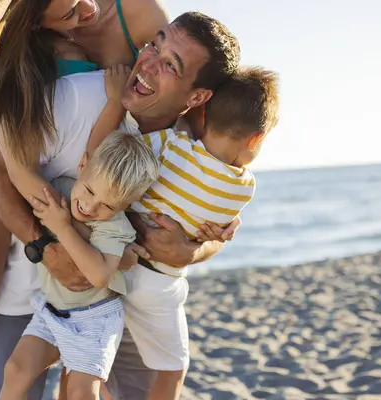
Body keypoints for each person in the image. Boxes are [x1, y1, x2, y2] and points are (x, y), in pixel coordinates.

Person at [0, 11, 242, 399]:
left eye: (170, 65)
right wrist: (44, 244)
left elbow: (218, 227)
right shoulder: (77, 100)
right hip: (36, 291)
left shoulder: (193, 147)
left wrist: (196, 249)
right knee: (12, 376)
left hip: (123, 304)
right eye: (155, 44)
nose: (149, 63)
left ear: (197, 97)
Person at [0, 1, 171, 399]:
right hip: (9, 163)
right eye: (71, 6)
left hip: (86, 182)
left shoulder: (136, 13)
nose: (88, 6)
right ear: (27, 17)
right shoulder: (9, 38)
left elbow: (190, 97)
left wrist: (206, 231)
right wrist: (45, 239)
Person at [117, 66, 281, 399]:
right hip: (159, 285)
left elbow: (131, 143)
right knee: (173, 367)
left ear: (203, 112)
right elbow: (211, 232)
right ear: (257, 138)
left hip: (118, 261)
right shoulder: (243, 188)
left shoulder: (169, 144)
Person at [0, 132, 159, 399]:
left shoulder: (115, 227)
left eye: (107, 204)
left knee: (80, 393)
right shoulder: (59, 188)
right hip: (52, 309)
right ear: (82, 165)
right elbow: (17, 178)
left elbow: (98, 276)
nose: (89, 206)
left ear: (126, 205)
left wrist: (63, 227)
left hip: (95, 319)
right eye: (89, 190)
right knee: (16, 368)